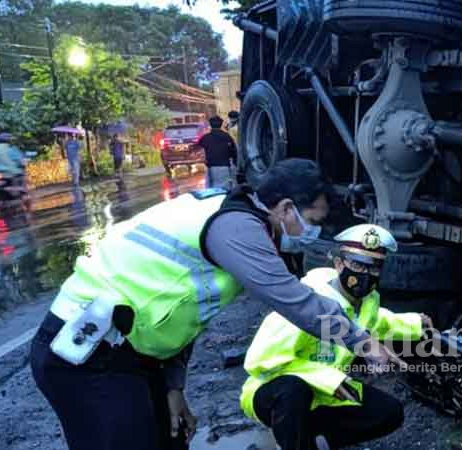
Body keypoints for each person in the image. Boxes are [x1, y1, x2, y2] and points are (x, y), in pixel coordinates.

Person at [29, 159, 397, 450]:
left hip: (131, 355)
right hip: (84, 356)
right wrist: (364, 342)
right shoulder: (237, 229)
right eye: (312, 221)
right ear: (285, 208)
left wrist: (173, 387)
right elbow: (297, 302)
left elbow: (184, 312)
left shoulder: (236, 216)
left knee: (171, 441)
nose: (312, 233)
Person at [240, 224, 434, 450]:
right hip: (272, 392)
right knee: (293, 390)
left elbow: (377, 321)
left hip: (324, 392)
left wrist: (415, 324)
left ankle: (315, 442)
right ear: (339, 263)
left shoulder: (366, 303)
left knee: (390, 412)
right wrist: (329, 379)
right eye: (357, 265)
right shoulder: (304, 305)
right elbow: (260, 362)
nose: (365, 275)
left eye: (374, 268)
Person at [198, 115, 237, 189]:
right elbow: (234, 152)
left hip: (211, 168)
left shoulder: (205, 138)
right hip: (225, 167)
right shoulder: (227, 136)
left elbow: (198, 150)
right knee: (226, 190)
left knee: (212, 190)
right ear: (221, 124)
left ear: (210, 125)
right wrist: (235, 164)